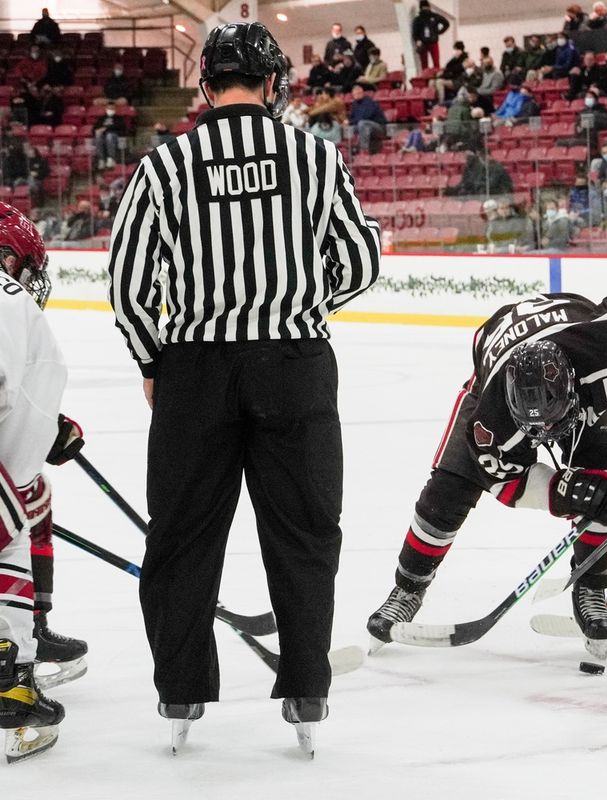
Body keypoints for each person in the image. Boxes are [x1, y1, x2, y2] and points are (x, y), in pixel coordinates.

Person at [106, 21, 381, 755]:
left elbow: (129, 286)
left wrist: (153, 363)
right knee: (303, 530)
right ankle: (305, 688)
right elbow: (360, 261)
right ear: (270, 85)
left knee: (184, 533)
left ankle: (182, 689)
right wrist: (299, 299)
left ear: (204, 87)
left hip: (196, 370)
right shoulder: (314, 158)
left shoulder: (164, 165)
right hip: (295, 362)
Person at [365, 240, 607, 651]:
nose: (545, 438)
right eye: (533, 429)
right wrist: (564, 492)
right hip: (500, 360)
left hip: (579, 352)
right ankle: (408, 588)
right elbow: (503, 480)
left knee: (604, 481)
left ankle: (590, 586)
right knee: (448, 489)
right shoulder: (492, 418)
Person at [0, 204, 80, 763]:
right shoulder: (5, 298)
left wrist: (44, 428)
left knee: (18, 522)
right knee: (9, 538)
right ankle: (10, 687)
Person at [349, 82, 387, 154]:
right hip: (365, 127)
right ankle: (352, 149)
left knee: (362, 124)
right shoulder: (354, 104)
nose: (357, 95)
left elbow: (366, 116)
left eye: (359, 93)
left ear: (362, 92)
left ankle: (364, 150)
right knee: (354, 126)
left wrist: (355, 121)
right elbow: (351, 119)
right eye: (355, 93)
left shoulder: (369, 102)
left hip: (379, 128)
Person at [412, 0, 451, 71]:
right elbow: (415, 33)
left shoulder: (433, 17)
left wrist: (439, 32)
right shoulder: (419, 19)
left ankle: (434, 77)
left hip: (432, 42)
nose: (425, 9)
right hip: (425, 43)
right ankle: (427, 78)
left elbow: (446, 23)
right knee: (427, 64)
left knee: (433, 63)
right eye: (424, 8)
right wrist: (417, 40)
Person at [93, 103, 130, 169]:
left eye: (112, 108)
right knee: (98, 136)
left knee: (109, 136)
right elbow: (95, 128)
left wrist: (106, 129)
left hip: (115, 136)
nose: (110, 110)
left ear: (115, 109)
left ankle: (111, 158)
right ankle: (101, 159)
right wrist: (98, 130)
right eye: (109, 108)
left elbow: (121, 128)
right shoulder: (102, 118)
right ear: (106, 109)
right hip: (103, 136)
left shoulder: (119, 118)